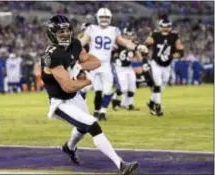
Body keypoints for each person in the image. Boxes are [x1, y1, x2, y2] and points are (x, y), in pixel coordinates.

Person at [41, 15, 138, 175]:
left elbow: (95, 62)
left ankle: (69, 148)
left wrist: (77, 65)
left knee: (82, 127)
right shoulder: (51, 55)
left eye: (67, 31)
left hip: (75, 97)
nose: (65, 34)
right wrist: (88, 81)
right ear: (52, 34)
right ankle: (120, 164)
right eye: (61, 32)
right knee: (92, 124)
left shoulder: (74, 44)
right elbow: (68, 86)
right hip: (60, 103)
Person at [80, 8, 148, 120]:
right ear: (98, 18)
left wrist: (137, 47)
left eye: (106, 17)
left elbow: (125, 42)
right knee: (85, 88)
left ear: (110, 18)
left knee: (108, 90)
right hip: (92, 62)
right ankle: (80, 111)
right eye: (102, 17)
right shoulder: (91, 29)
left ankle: (102, 112)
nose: (104, 19)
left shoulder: (114, 30)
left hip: (106, 64)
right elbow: (82, 42)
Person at [145, 17, 184, 116]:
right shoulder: (155, 35)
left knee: (161, 86)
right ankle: (158, 107)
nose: (165, 29)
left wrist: (173, 55)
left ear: (170, 27)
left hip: (167, 64)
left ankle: (151, 102)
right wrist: (144, 58)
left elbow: (180, 50)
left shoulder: (174, 36)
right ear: (160, 27)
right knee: (157, 84)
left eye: (167, 27)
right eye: (163, 26)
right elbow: (146, 46)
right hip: (156, 63)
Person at [111, 26, 141, 111]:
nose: (129, 36)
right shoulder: (119, 43)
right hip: (120, 68)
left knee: (132, 87)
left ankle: (130, 104)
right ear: (123, 35)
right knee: (123, 88)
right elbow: (113, 52)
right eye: (127, 34)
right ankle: (114, 100)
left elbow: (139, 58)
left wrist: (137, 49)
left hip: (128, 67)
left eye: (131, 34)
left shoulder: (133, 44)